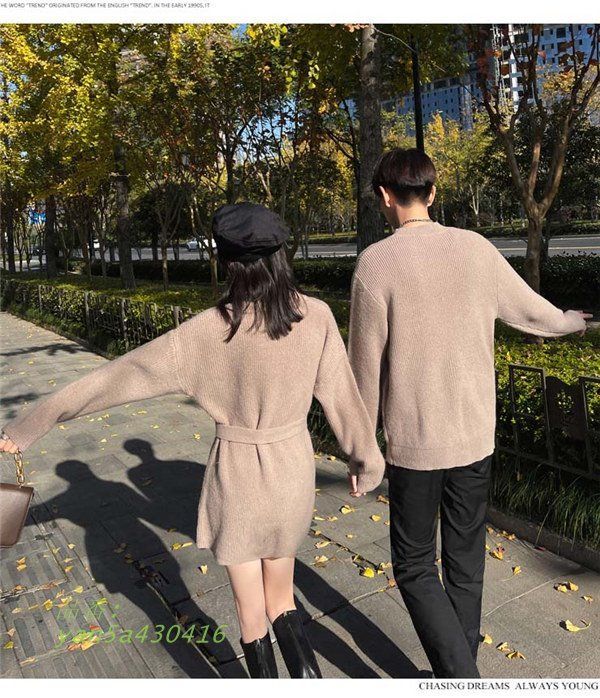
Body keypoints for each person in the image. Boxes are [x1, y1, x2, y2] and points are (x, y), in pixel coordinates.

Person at [0, 202, 386, 679]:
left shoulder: (206, 332)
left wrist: (30, 424)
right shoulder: (317, 317)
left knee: (251, 613)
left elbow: (118, 377)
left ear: (225, 261)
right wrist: (365, 461)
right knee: (283, 600)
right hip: (292, 471)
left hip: (238, 477)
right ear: (281, 253)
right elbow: (343, 399)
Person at [347, 148, 592, 679]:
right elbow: (531, 309)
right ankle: (460, 673)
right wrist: (570, 321)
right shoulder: (476, 249)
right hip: (475, 436)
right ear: (433, 193)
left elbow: (364, 369)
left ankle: (461, 678)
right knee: (465, 562)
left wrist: (362, 451)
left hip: (416, 442)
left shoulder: (376, 264)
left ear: (385, 196)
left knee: (414, 565)